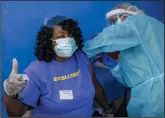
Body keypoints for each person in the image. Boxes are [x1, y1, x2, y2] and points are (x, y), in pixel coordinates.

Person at [3, 15, 112, 117]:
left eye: (70, 36)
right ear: (49, 41)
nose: (68, 40)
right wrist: (10, 93)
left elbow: (96, 87)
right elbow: (16, 113)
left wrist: (108, 111)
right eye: (61, 37)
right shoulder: (36, 71)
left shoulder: (82, 58)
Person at [83, 3, 164, 117]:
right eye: (111, 22)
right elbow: (129, 81)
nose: (114, 25)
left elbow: (111, 37)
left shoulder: (140, 22)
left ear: (128, 14)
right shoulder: (136, 41)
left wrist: (83, 50)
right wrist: (114, 66)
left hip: (158, 96)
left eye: (115, 20)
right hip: (148, 95)